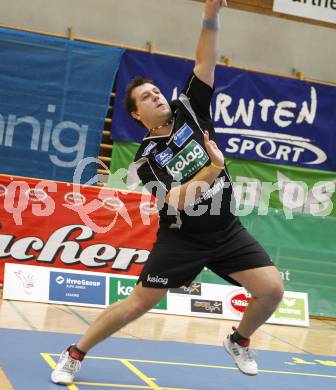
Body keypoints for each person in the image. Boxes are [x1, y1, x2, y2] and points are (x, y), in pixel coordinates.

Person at [51, 0, 284, 384]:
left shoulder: (190, 108)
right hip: (182, 239)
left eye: (157, 91)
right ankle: (75, 352)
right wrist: (213, 168)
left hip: (227, 231)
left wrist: (211, 15)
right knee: (139, 303)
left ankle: (239, 340)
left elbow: (204, 62)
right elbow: (178, 200)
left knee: (272, 290)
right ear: (135, 115)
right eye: (146, 97)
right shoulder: (145, 158)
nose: (157, 96)